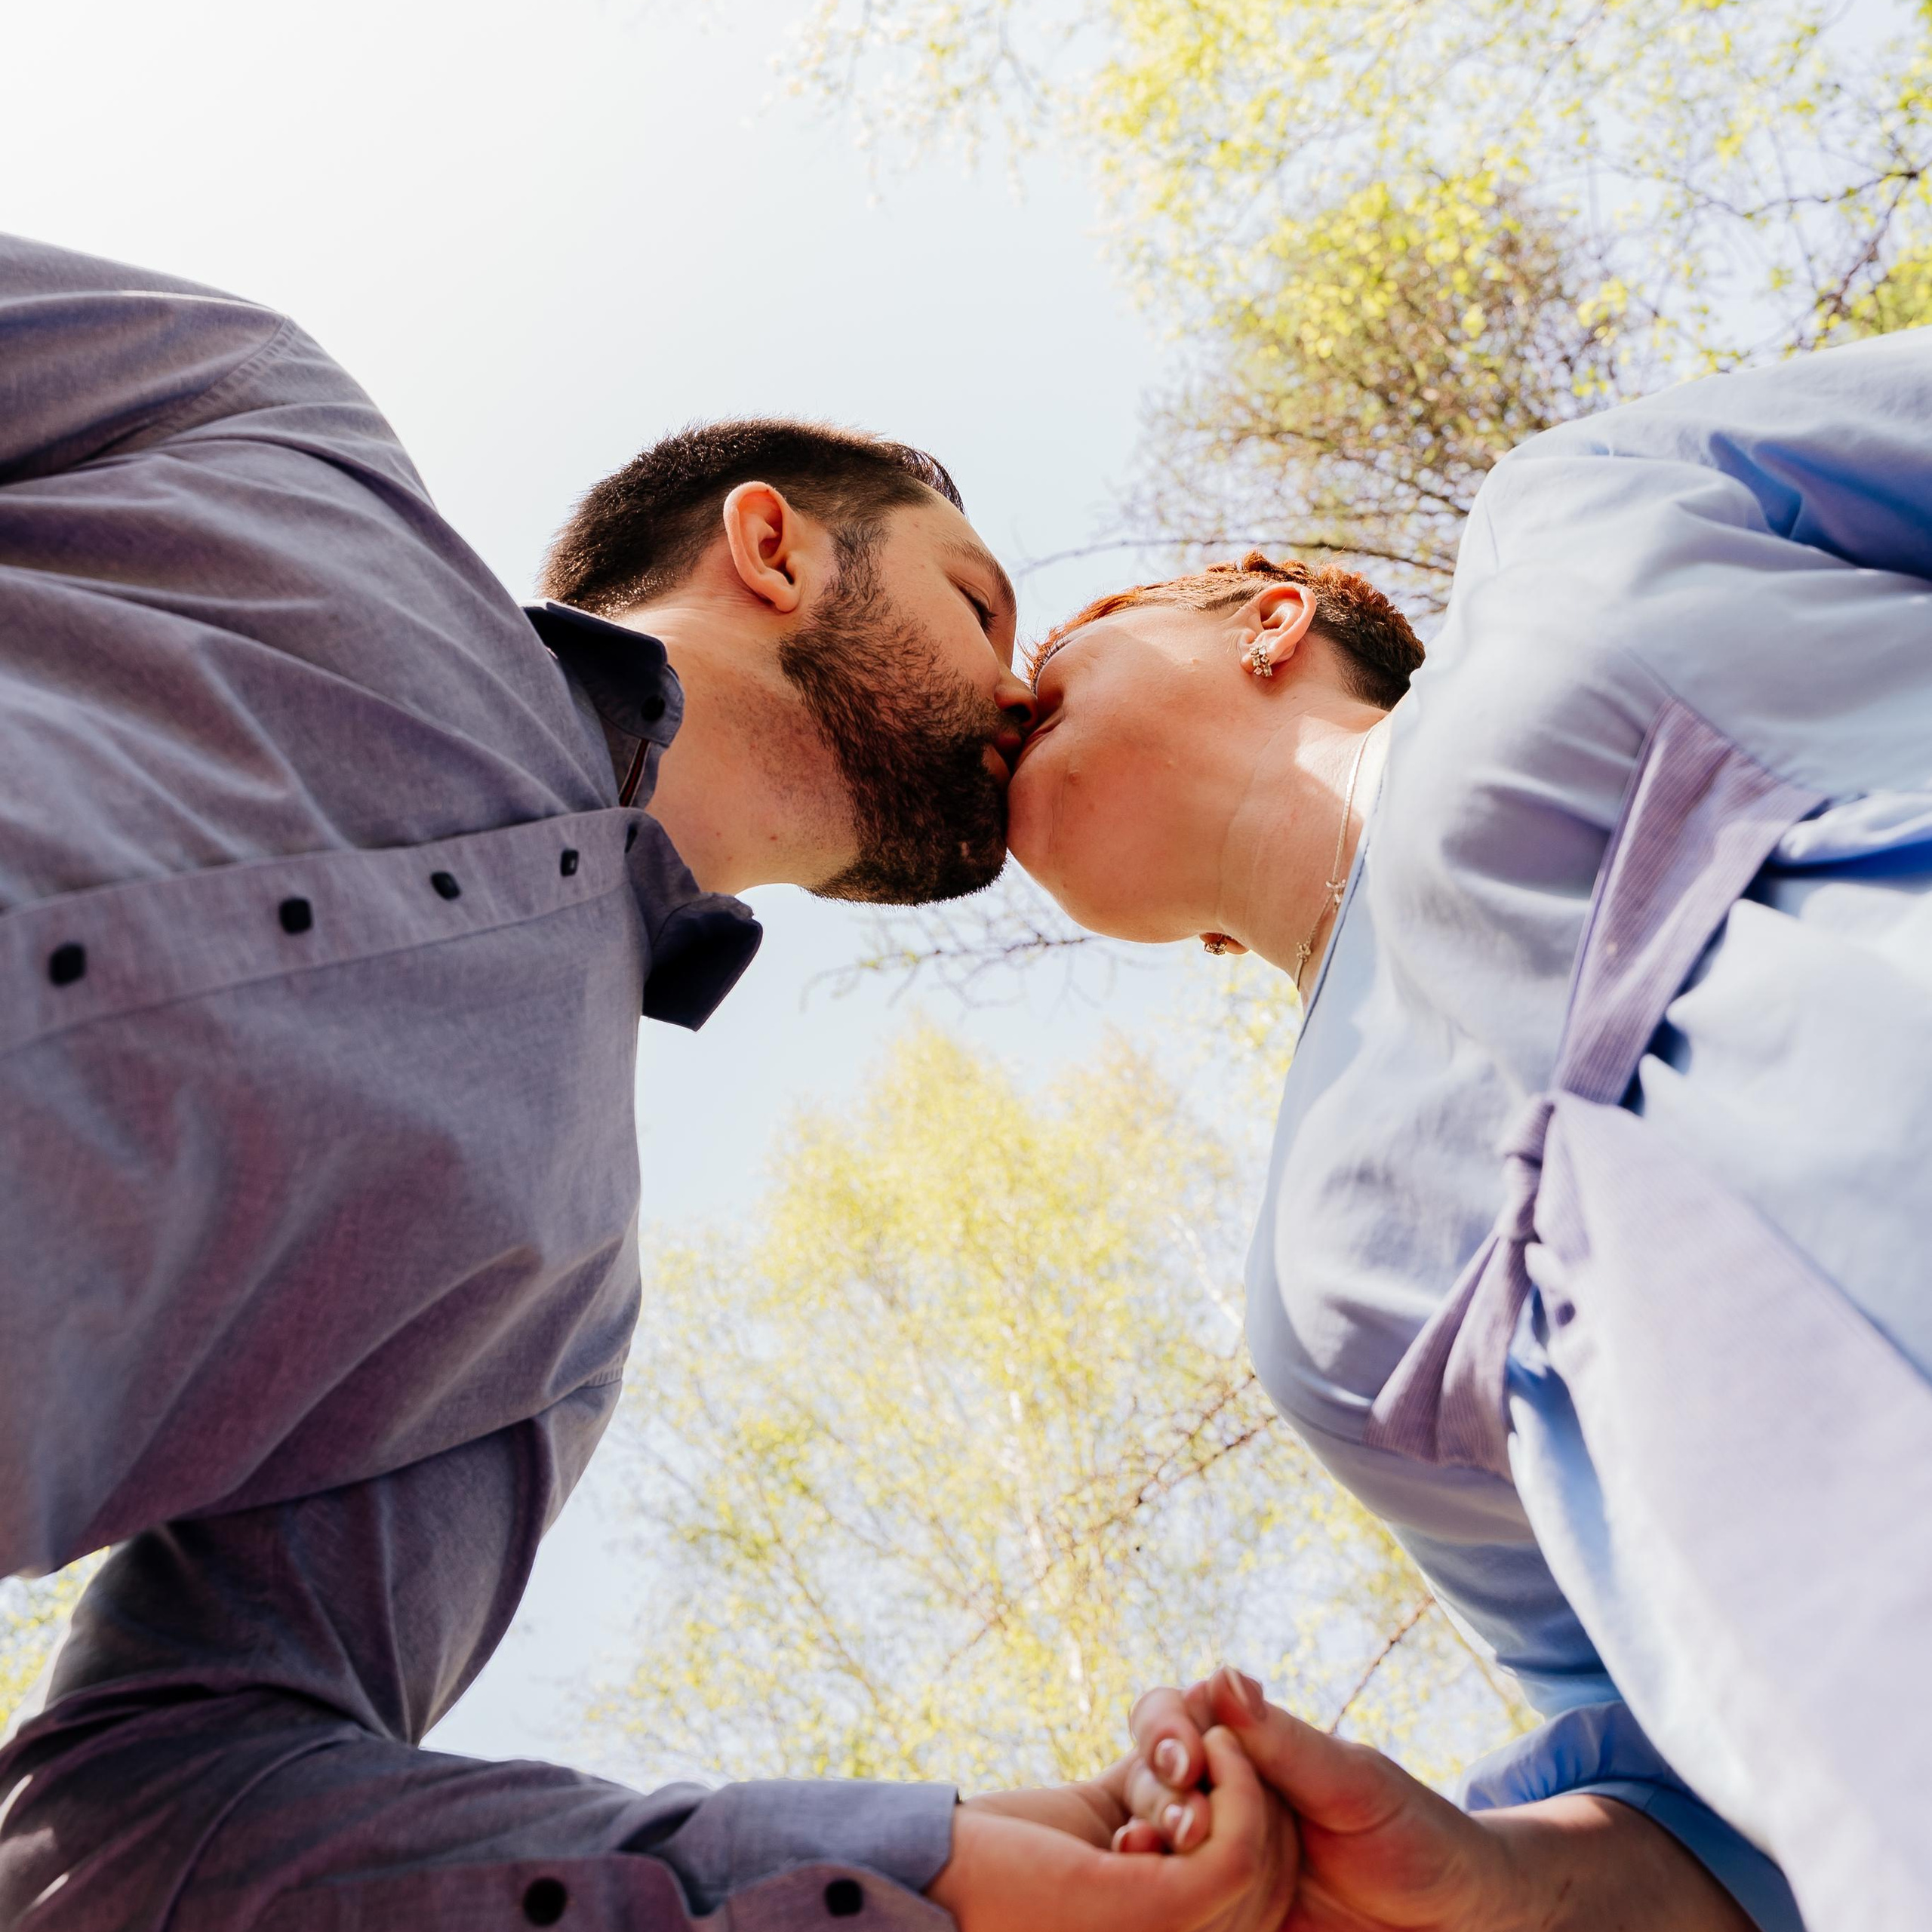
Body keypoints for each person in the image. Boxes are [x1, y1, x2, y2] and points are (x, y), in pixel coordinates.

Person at [0, 233, 1294, 1932]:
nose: (1016, 686)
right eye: (978, 601)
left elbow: (153, 1825)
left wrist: (916, 1862)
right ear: (770, 543)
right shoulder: (257, 428)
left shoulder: (542, 1328)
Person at [1001, 326, 1932, 1932]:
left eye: (1064, 646)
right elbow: (1702, 1787)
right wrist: (1479, 1874)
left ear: (1267, 613)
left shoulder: (1575, 515)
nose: (1007, 693)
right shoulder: (1306, 1306)